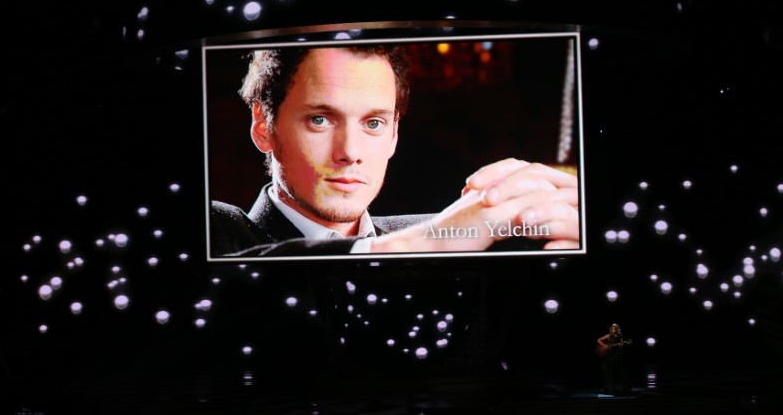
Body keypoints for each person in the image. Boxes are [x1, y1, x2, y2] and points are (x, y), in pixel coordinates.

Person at [209, 45, 580, 257]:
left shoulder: (451, 236)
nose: (350, 152)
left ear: (394, 136)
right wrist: (435, 240)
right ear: (263, 126)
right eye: (320, 120)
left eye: (373, 123)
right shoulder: (217, 231)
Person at [597, 323, 630, 394]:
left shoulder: (620, 336)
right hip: (609, 354)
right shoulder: (609, 336)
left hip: (617, 354)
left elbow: (621, 345)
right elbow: (598, 340)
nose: (613, 330)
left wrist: (621, 345)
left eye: (615, 328)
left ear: (617, 329)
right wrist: (605, 346)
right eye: (612, 328)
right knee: (607, 369)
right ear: (611, 329)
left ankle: (620, 386)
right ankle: (609, 386)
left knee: (618, 370)